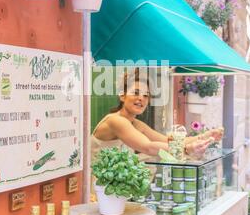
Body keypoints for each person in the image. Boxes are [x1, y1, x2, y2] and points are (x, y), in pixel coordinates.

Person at [91, 70, 223, 163]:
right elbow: (148, 147)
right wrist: (186, 150)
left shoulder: (135, 123)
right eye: (135, 93)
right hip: (96, 191)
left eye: (145, 95)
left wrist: (205, 136)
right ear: (122, 95)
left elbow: (167, 141)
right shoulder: (116, 121)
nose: (141, 98)